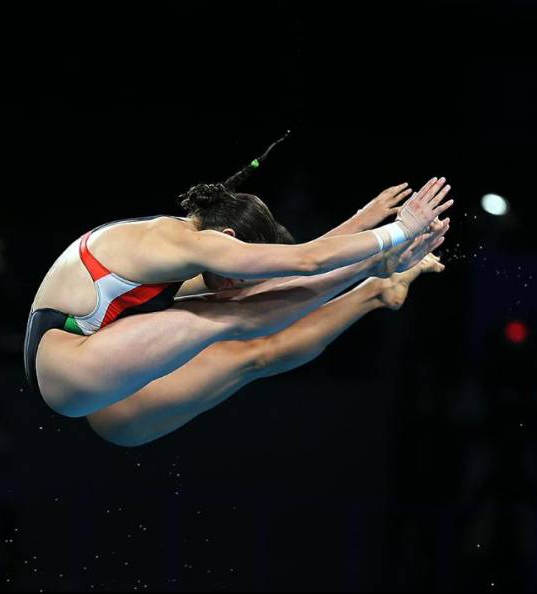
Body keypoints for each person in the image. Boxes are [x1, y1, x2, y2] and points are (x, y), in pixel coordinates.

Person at [24, 135, 453, 442]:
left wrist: (361, 220)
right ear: (228, 237)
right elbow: (307, 262)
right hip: (76, 375)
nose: (239, 280)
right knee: (235, 319)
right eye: (240, 267)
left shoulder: (175, 247)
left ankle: (375, 280)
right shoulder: (189, 244)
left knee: (237, 310)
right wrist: (396, 233)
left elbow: (279, 274)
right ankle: (376, 277)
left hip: (89, 376)